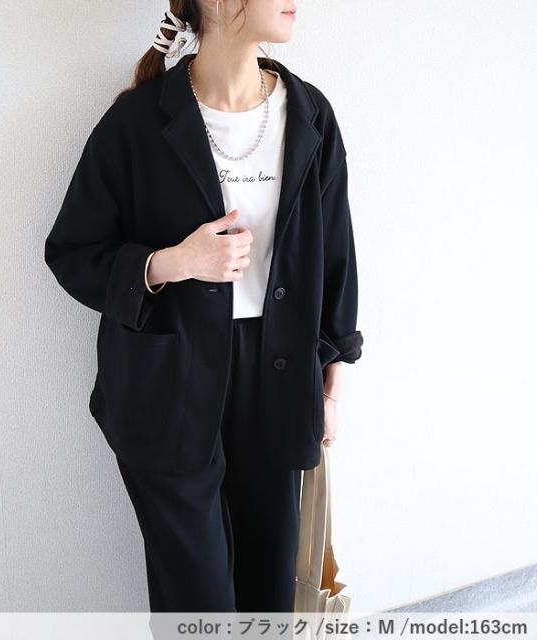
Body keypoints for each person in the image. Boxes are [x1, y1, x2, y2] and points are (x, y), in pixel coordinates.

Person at [44, 0, 363, 614]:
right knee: (198, 603)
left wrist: (333, 384)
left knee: (270, 594)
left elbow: (337, 259)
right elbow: (72, 252)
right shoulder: (137, 123)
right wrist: (175, 261)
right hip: (168, 385)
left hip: (278, 379)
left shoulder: (309, 114)